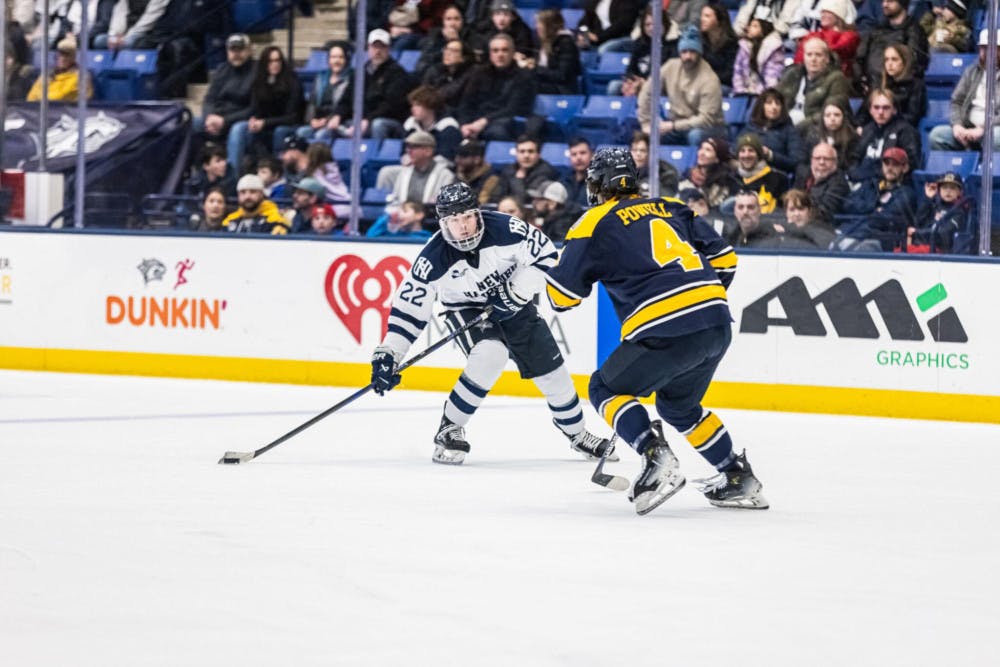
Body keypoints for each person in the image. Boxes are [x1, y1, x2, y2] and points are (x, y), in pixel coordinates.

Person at [544, 148, 769, 515]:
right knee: (678, 406)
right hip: (714, 322)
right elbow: (726, 258)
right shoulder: (671, 206)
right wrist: (698, 301)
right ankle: (736, 476)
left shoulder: (592, 222)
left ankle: (655, 456)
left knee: (604, 387)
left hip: (667, 328)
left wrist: (562, 266)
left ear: (598, 184)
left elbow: (560, 297)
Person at [369, 182, 616, 466]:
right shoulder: (432, 258)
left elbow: (547, 257)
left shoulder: (508, 229)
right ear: (442, 223)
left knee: (554, 374)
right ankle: (450, 427)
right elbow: (409, 311)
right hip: (466, 309)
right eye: (453, 221)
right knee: (490, 354)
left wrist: (515, 292)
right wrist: (389, 353)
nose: (462, 227)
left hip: (516, 304)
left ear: (478, 213)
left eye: (467, 217)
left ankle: (578, 434)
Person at [637, 25, 725, 146]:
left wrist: (673, 126)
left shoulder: (709, 79)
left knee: (695, 135)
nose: (688, 56)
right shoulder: (670, 66)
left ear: (699, 53)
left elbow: (705, 120)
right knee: (648, 137)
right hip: (676, 123)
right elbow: (647, 91)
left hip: (708, 127)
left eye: (692, 52)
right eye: (684, 52)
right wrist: (645, 122)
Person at [332, 29, 415, 140]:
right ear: (368, 48)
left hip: (388, 121)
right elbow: (346, 99)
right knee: (328, 130)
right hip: (360, 121)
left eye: (382, 47)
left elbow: (391, 105)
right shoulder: (360, 72)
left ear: (389, 49)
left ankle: (376, 156)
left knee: (378, 125)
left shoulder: (397, 73)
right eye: (375, 47)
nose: (378, 51)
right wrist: (338, 115)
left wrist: (368, 119)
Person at [457, 33, 537, 142]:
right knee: (451, 130)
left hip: (502, 120)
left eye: (504, 50)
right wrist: (464, 124)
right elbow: (466, 103)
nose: (500, 54)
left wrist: (483, 121)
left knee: (497, 132)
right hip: (475, 121)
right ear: (490, 54)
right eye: (495, 50)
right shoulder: (478, 73)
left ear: (513, 53)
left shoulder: (523, 76)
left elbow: (512, 109)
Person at [928, 29, 1000, 151]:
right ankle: (952, 169)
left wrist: (983, 129)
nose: (987, 53)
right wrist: (957, 126)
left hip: (993, 129)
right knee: (937, 135)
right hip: (967, 127)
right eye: (983, 48)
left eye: (992, 48)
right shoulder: (971, 71)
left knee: (995, 137)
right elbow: (956, 101)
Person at [236, 46, 304, 171]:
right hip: (265, 125)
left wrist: (265, 123)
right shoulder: (259, 82)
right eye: (270, 61)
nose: (275, 64)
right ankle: (241, 172)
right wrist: (253, 119)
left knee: (279, 131)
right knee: (242, 128)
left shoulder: (292, 81)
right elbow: (255, 109)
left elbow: (292, 116)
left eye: (277, 60)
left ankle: (276, 170)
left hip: (288, 124)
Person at [839, 146, 917, 251]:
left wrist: (867, 211)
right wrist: (873, 207)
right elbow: (847, 204)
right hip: (854, 232)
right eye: (886, 163)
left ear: (905, 168)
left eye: (895, 164)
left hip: (883, 240)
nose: (890, 168)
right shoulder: (870, 185)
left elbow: (883, 219)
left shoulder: (907, 193)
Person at [197, 33, 255, 172]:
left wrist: (225, 121)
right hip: (217, 119)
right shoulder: (222, 70)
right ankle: (196, 176)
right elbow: (209, 98)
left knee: (237, 130)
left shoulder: (257, 72)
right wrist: (209, 118)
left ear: (249, 50)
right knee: (192, 124)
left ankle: (231, 179)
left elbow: (254, 108)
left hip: (242, 121)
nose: (236, 54)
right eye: (232, 50)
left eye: (240, 49)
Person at [854, 0, 929, 94]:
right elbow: (859, 58)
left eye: (890, 1)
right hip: (871, 91)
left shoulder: (914, 31)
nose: (885, 4)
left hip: (899, 93)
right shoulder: (876, 30)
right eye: (883, 1)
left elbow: (915, 63)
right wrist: (861, 80)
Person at [848, 88, 921, 182]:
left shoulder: (906, 131)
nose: (881, 112)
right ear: (870, 110)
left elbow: (912, 163)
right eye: (876, 107)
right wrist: (854, 174)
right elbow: (853, 158)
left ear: (894, 110)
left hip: (890, 184)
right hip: (862, 183)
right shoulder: (867, 130)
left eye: (886, 108)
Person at [776, 36, 850, 127]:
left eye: (818, 55)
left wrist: (798, 128)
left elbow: (830, 113)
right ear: (804, 57)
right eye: (809, 54)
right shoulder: (793, 73)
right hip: (785, 124)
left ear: (827, 59)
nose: (813, 59)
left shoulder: (837, 78)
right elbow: (775, 98)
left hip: (814, 128)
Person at [853, 43, 927, 128]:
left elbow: (912, 117)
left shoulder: (916, 85)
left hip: (901, 131)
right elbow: (863, 113)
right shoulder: (879, 84)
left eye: (894, 59)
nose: (889, 64)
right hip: (875, 129)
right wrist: (859, 126)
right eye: (886, 60)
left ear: (905, 62)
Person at [377, 130, 457, 206]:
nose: (408, 151)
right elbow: (396, 200)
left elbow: (444, 207)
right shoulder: (404, 172)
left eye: (413, 147)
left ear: (428, 151)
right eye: (408, 147)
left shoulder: (445, 175)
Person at [611, 6, 677, 97]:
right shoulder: (640, 43)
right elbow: (630, 69)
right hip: (639, 84)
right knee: (614, 86)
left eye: (656, 24)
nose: (652, 28)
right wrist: (630, 81)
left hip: (662, 88)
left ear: (664, 24)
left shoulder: (674, 45)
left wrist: (645, 83)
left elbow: (670, 77)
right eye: (647, 24)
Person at [297, 41, 353, 144]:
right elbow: (312, 103)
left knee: (321, 135)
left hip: (339, 122)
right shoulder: (321, 78)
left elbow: (347, 106)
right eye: (333, 57)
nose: (336, 61)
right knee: (301, 133)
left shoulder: (351, 78)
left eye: (340, 57)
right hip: (319, 121)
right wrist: (312, 120)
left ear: (346, 60)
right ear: (328, 60)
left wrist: (326, 121)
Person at [791, 0, 860, 82]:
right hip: (809, 78)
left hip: (838, 80)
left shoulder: (850, 36)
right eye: (822, 12)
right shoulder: (814, 35)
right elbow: (800, 57)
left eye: (827, 12)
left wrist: (833, 32)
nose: (822, 15)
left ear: (838, 15)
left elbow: (832, 51)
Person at [516, 9, 581, 95]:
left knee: (522, 86)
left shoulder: (566, 44)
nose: (537, 27)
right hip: (546, 84)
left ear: (550, 26)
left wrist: (534, 68)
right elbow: (544, 66)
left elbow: (562, 75)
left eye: (540, 23)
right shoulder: (545, 41)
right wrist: (529, 62)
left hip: (561, 89)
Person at [744, 89, 806, 176]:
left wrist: (771, 155)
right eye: (769, 103)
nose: (774, 107)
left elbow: (797, 162)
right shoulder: (752, 126)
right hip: (747, 171)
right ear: (761, 106)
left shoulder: (789, 130)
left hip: (774, 175)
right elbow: (735, 147)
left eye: (777, 103)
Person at [910, 171, 970, 253]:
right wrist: (928, 199)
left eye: (952, 188)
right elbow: (918, 223)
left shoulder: (959, 211)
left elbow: (944, 234)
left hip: (943, 252)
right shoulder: (934, 205)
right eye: (944, 187)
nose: (948, 191)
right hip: (924, 247)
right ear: (939, 190)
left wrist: (917, 233)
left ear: (959, 192)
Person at [492, 135, 560, 206]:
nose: (526, 155)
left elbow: (526, 201)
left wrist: (518, 180)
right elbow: (496, 198)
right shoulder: (509, 170)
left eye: (531, 151)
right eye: (522, 151)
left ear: (539, 154)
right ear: (516, 154)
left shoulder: (546, 171)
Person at [677, 137, 740, 211]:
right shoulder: (688, 174)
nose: (701, 153)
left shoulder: (727, 181)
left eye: (708, 150)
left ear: (717, 158)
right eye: (701, 148)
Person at [402, 86, 462, 161]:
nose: (413, 109)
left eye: (417, 105)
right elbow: (403, 152)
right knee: (387, 171)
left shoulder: (447, 126)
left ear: (430, 106)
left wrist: (422, 162)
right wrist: (406, 160)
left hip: (441, 168)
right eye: (412, 105)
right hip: (415, 166)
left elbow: (447, 157)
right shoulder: (411, 125)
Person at [732, 11, 786, 96]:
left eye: (755, 26)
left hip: (763, 95)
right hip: (744, 92)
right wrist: (740, 90)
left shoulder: (774, 48)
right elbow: (738, 71)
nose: (749, 28)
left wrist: (758, 93)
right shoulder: (744, 45)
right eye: (750, 25)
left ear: (763, 29)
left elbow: (772, 77)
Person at [793, 142, 849, 221]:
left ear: (835, 162)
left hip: (819, 225)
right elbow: (792, 198)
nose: (821, 162)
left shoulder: (839, 183)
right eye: (817, 158)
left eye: (827, 159)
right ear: (812, 160)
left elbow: (824, 212)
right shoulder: (804, 173)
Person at [733, 133, 788, 214]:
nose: (746, 155)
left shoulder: (778, 179)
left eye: (751, 150)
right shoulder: (733, 179)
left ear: (759, 155)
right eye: (742, 151)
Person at [26, 35, 91, 102]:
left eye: (66, 55)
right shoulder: (48, 74)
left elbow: (60, 97)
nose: (62, 58)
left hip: (64, 111)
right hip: (38, 109)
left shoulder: (80, 76)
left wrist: (41, 97)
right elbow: (31, 96)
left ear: (73, 58)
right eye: (60, 55)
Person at [800, 99, 858, 172]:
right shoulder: (813, 134)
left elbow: (851, 165)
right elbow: (804, 159)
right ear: (823, 118)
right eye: (828, 115)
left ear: (843, 117)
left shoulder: (852, 137)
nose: (832, 119)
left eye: (837, 115)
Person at [222, 174, 290, 234]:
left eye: (252, 192)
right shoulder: (229, 221)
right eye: (243, 192)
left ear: (261, 194)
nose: (247, 196)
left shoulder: (276, 220)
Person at [771, 189, 837, 249]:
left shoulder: (821, 228)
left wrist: (788, 229)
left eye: (801, 209)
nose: (796, 214)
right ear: (786, 212)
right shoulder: (779, 227)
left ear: (809, 211)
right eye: (792, 210)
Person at [577, 0, 642, 53]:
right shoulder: (595, 2)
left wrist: (599, 37)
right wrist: (584, 34)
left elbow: (623, 24)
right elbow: (584, 21)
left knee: (604, 50)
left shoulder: (628, 2)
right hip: (598, 38)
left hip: (621, 37)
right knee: (576, 46)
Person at [629, 131, 680, 198]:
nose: (638, 154)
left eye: (643, 150)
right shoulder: (622, 171)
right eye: (634, 150)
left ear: (650, 153)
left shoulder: (667, 172)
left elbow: (668, 197)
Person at [700, 4, 739, 88]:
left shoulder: (732, 43)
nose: (702, 19)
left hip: (724, 84)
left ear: (719, 20)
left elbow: (730, 73)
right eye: (702, 16)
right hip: (702, 83)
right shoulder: (700, 40)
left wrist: (709, 78)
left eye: (707, 16)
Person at [454, 139, 501, 204]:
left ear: (477, 159)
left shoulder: (491, 178)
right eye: (457, 155)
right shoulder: (460, 175)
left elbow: (482, 203)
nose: (457, 160)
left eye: (463, 156)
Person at [365, 200, 434, 239]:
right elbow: (370, 237)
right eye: (398, 212)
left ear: (419, 215)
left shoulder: (427, 238)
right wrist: (388, 217)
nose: (400, 215)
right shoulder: (394, 235)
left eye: (405, 211)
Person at [563, 138, 594, 208]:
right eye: (574, 154)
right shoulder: (563, 180)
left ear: (592, 155)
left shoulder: (600, 182)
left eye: (583, 153)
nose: (578, 157)